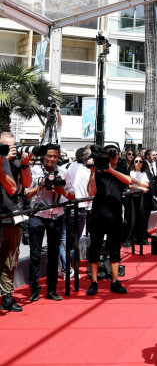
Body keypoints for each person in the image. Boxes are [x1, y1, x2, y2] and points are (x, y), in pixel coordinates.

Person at [86, 144, 148, 296]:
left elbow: (128, 181)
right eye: (110, 153)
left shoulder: (119, 170)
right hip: (98, 215)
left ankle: (115, 281)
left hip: (114, 215)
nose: (113, 156)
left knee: (115, 248)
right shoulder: (97, 171)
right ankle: (94, 282)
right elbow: (91, 191)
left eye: (115, 153)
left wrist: (110, 170)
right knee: (95, 247)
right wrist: (94, 172)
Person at [26, 143, 75, 301]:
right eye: (49, 156)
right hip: (37, 215)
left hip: (57, 215)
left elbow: (72, 195)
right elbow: (26, 195)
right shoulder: (33, 171)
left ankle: (52, 290)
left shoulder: (63, 171)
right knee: (35, 255)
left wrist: (63, 192)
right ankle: (34, 289)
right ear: (43, 156)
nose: (52, 159)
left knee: (54, 255)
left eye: (55, 156)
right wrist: (41, 186)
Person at [0, 132, 31, 311]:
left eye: (13, 146)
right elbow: (10, 188)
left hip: (14, 216)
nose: (11, 149)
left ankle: (7, 296)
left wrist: (25, 165)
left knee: (11, 260)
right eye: (6, 146)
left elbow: (25, 184)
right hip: (0, 217)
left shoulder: (17, 163)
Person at [58, 145, 92, 278]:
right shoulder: (89, 172)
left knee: (64, 239)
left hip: (67, 206)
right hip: (81, 207)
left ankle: (67, 269)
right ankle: (69, 268)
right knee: (74, 240)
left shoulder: (66, 167)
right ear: (86, 158)